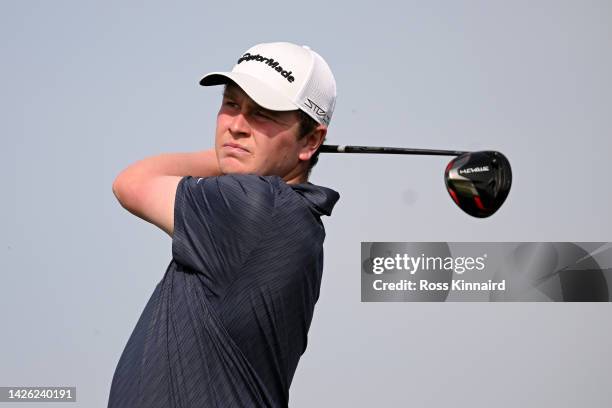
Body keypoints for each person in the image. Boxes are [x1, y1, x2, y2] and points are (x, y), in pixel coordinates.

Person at [108, 42, 340, 408]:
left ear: (311, 140)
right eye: (231, 104)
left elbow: (131, 182)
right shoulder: (293, 216)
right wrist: (239, 155)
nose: (236, 126)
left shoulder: (253, 207)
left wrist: (224, 157)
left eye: (263, 113)